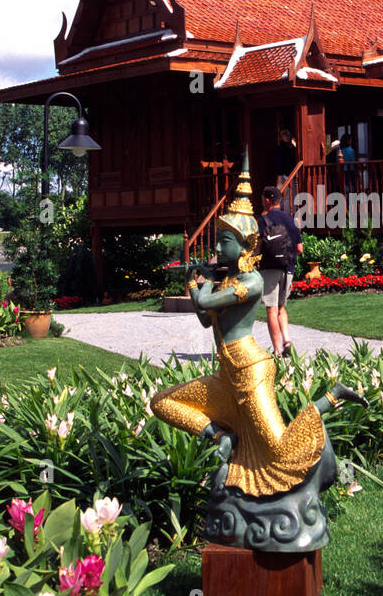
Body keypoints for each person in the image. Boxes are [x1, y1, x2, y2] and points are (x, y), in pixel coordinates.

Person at [149, 158, 363, 550]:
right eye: (217, 240)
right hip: (225, 376)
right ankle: (220, 436)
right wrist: (203, 286)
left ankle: (331, 397)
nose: (216, 247)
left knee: (279, 448)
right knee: (161, 402)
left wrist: (197, 286)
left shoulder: (247, 280)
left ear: (246, 245)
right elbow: (205, 320)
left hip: (250, 372)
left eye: (223, 241)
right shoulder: (226, 278)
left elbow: (204, 304)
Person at [258, 184, 303, 357]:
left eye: (263, 199)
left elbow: (258, 247)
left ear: (268, 200)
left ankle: (277, 350)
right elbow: (300, 249)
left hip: (270, 269)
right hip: (288, 269)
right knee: (281, 307)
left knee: (271, 309)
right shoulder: (291, 220)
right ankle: (287, 341)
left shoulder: (263, 220)